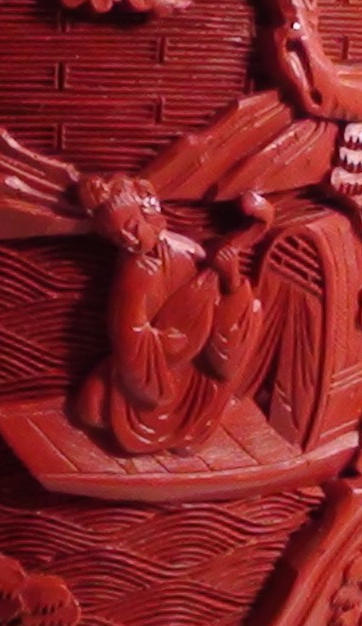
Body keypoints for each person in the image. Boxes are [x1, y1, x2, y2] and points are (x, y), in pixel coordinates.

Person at [72, 174, 262, 457]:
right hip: (151, 376)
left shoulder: (190, 251)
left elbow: (220, 323)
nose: (129, 240)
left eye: (132, 226)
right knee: (93, 405)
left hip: (195, 370)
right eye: (117, 237)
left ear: (148, 210)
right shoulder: (135, 272)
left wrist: (233, 282)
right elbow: (129, 335)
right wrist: (161, 345)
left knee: (223, 371)